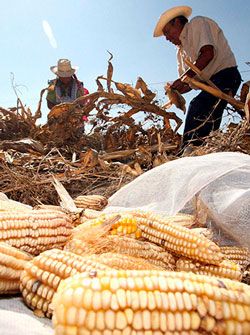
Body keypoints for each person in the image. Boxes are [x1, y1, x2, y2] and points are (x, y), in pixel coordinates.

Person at [153, 6, 242, 150]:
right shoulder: (180, 52)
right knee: (204, 109)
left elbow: (207, 53)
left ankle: (191, 150)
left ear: (177, 22)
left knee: (198, 105)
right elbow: (190, 83)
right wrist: (176, 90)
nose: (167, 38)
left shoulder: (197, 24)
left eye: (167, 32)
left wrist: (184, 78)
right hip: (210, 83)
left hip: (226, 74)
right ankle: (204, 148)